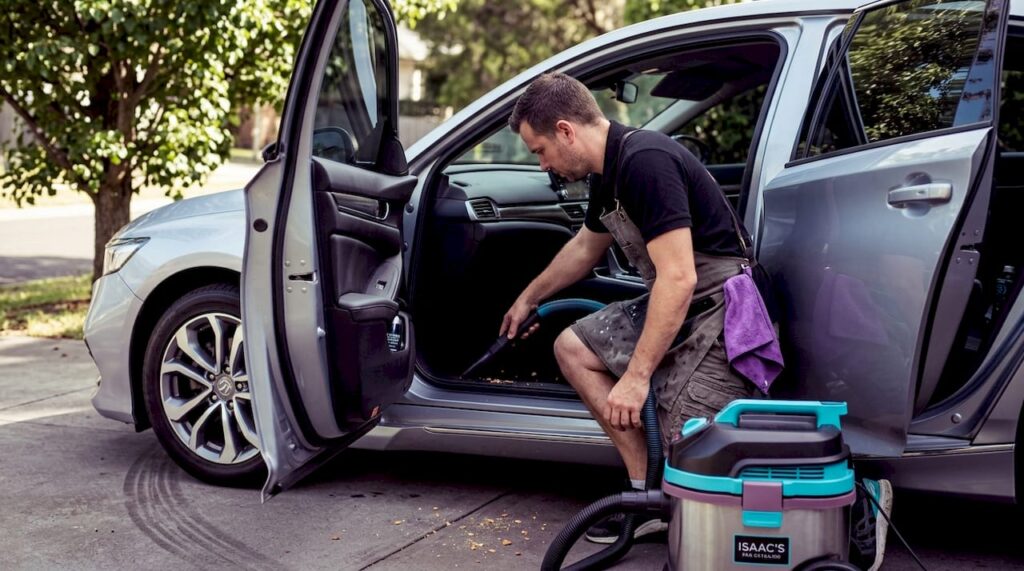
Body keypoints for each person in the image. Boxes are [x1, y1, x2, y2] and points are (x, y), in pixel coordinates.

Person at [500, 72, 765, 543]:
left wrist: (637, 377)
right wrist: (529, 297)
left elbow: (680, 277)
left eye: (539, 150)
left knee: (692, 445)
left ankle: (854, 499)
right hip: (680, 300)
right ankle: (648, 495)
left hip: (716, 310)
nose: (541, 165)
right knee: (573, 348)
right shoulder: (609, 172)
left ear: (565, 131)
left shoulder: (646, 161)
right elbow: (586, 248)